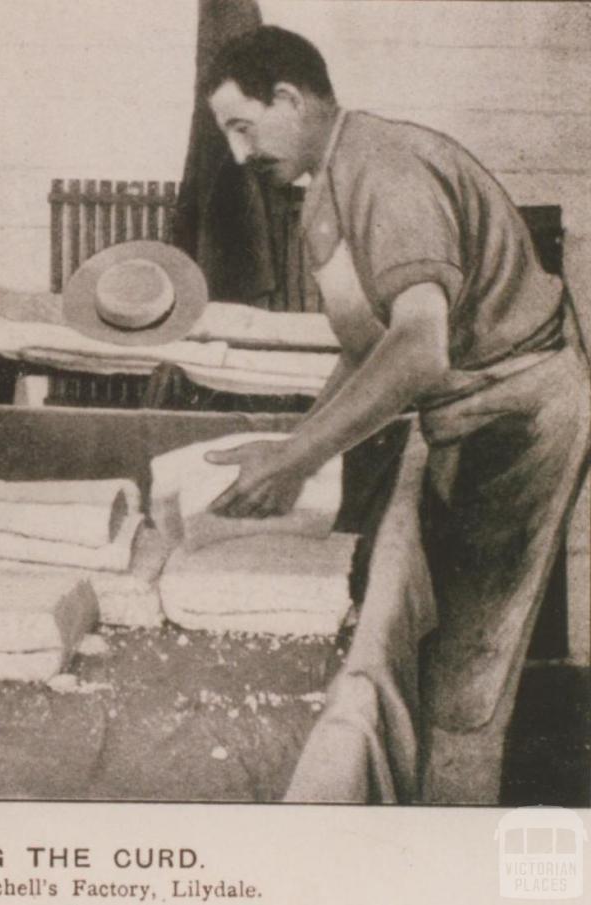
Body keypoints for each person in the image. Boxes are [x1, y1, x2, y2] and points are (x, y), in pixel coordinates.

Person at [200, 26, 590, 801]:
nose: (240, 154)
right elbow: (365, 351)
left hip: (519, 413)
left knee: (468, 672)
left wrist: (296, 459)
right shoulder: (323, 197)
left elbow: (418, 350)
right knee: (442, 634)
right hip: (467, 413)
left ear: (290, 97)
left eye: (243, 127)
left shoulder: (387, 166)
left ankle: (456, 838)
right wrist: (292, 442)